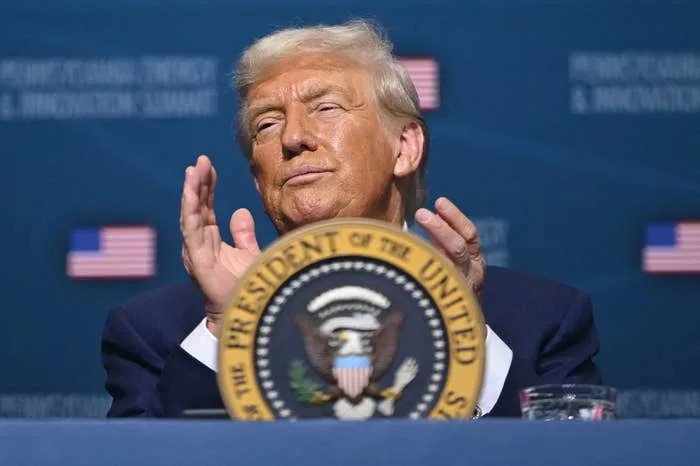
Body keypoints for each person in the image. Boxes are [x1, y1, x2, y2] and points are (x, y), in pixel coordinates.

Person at [102, 20, 601, 418]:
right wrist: (228, 328)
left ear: (403, 148)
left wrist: (461, 337)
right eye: (267, 124)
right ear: (258, 178)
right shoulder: (158, 333)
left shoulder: (542, 321)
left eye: (326, 108)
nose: (293, 138)